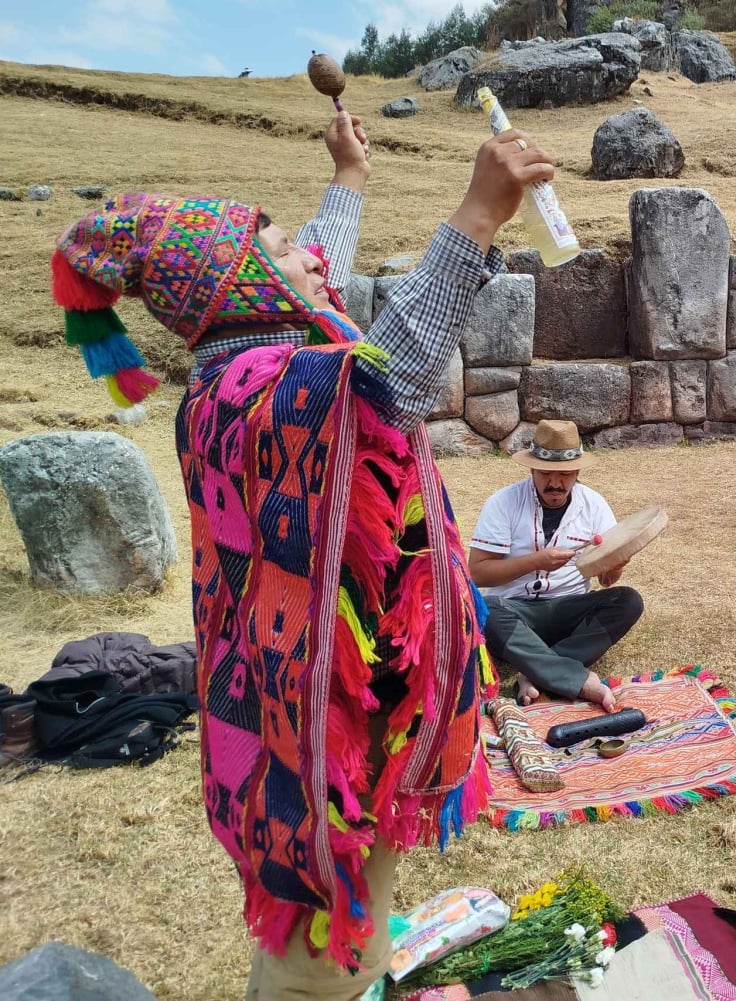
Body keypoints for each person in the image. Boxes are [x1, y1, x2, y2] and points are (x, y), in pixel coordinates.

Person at [51, 110, 557, 999]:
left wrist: (350, 175)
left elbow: (316, 260)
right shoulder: (256, 394)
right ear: (245, 284)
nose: (313, 258)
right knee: (322, 951)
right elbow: (386, 383)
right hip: (312, 734)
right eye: (283, 249)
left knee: (358, 914)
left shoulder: (261, 356)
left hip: (340, 696)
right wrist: (476, 218)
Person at [467, 419, 645, 712]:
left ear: (577, 471)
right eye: (546, 473)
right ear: (532, 468)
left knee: (627, 601)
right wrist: (535, 561)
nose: (555, 483)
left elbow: (606, 581)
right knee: (482, 609)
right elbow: (476, 572)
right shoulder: (503, 503)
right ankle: (574, 677)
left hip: (567, 608)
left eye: (565, 474)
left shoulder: (594, 505)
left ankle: (534, 670)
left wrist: (616, 565)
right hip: (514, 611)